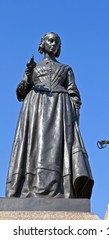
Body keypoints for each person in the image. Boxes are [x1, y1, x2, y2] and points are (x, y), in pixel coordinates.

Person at [6, 32, 94, 198]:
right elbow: (20, 93)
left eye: (57, 42)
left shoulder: (66, 68)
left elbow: (74, 94)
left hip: (60, 111)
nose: (53, 44)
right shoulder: (34, 68)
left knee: (57, 149)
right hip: (35, 109)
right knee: (34, 147)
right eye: (50, 41)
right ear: (43, 43)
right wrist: (28, 73)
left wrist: (73, 117)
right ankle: (29, 187)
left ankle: (61, 188)